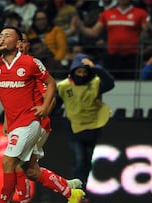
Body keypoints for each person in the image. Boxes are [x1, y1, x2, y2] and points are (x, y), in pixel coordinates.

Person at [0, 26, 85, 203]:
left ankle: (14, 200)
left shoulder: (30, 63)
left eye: (8, 36)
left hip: (32, 121)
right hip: (16, 123)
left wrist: (45, 108)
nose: (3, 38)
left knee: (9, 162)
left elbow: (50, 87)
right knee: (29, 170)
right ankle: (69, 191)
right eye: (1, 36)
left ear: (19, 42)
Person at [54, 53, 115, 195]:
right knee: (79, 159)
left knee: (87, 161)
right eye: (78, 72)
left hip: (93, 127)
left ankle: (82, 190)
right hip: (74, 127)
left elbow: (110, 83)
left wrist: (95, 68)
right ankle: (76, 192)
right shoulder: (63, 86)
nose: (81, 75)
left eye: (84, 72)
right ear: (73, 71)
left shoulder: (95, 83)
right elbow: (55, 105)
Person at [73, 0, 152, 80]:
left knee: (130, 84)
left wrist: (149, 30)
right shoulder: (107, 13)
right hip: (112, 57)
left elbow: (148, 35)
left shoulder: (140, 13)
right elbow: (94, 33)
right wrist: (80, 27)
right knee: (111, 83)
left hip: (132, 57)